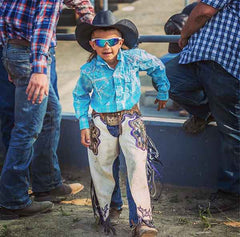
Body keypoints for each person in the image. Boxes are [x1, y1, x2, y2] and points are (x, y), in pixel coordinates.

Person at [73, 10, 169, 236]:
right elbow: (80, 95)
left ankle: (142, 221)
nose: (107, 47)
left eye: (112, 41)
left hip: (131, 120)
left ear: (121, 42)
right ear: (92, 44)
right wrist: (83, 124)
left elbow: (156, 65)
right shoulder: (88, 70)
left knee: (137, 167)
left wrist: (163, 90)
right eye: (100, 42)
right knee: (102, 169)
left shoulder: (134, 58)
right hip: (100, 123)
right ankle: (107, 213)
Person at [0, 0, 94, 220]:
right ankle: (12, 200)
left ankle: (47, 184)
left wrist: (9, 59)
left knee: (51, 113)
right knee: (27, 128)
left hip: (16, 51)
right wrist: (39, 70)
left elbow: (4, 15)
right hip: (31, 56)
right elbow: (43, 26)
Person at [165, 0, 240, 212]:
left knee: (232, 133)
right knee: (166, 78)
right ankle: (205, 112)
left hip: (225, 61)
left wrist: (185, 34)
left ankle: (230, 193)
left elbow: (203, 11)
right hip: (200, 57)